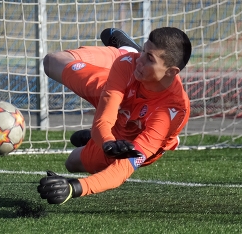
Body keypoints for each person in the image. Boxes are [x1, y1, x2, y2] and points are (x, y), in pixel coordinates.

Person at [37, 27, 192, 204]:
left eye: (149, 58)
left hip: (132, 138)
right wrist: (106, 142)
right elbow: (104, 119)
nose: (140, 61)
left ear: (171, 71)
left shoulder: (171, 111)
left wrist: (74, 188)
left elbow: (123, 169)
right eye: (143, 51)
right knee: (52, 62)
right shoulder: (128, 63)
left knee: (72, 162)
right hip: (117, 92)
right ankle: (128, 49)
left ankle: (94, 141)